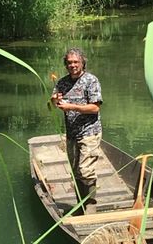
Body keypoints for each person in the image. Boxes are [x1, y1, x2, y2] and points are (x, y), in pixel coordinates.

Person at [51, 48, 103, 214]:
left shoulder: (91, 80)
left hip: (90, 131)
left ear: (82, 63)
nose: (72, 65)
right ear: (66, 65)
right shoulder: (62, 82)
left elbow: (95, 108)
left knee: (85, 170)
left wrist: (71, 107)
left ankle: (91, 205)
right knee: (75, 171)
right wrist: (54, 101)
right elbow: (56, 103)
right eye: (69, 62)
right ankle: (81, 204)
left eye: (76, 62)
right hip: (72, 132)